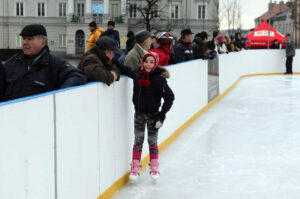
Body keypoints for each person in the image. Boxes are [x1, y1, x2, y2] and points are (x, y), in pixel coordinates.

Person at [112, 51, 174, 181]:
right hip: (139, 114)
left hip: (154, 116)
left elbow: (169, 96)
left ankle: (154, 167)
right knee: (138, 141)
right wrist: (114, 60)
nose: (148, 64)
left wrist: (162, 115)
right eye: (146, 61)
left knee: (152, 142)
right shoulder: (138, 74)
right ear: (142, 62)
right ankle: (135, 167)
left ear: (156, 63)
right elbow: (125, 69)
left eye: (152, 62)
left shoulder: (158, 79)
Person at [3, 24, 86, 101]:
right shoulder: (12, 63)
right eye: (24, 38)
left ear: (43, 43)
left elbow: (77, 76)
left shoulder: (55, 65)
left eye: (29, 39)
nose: (25, 42)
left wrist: (60, 96)